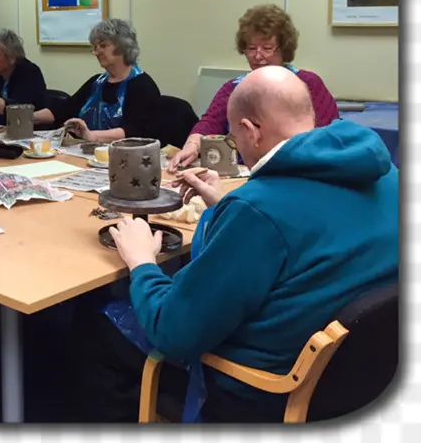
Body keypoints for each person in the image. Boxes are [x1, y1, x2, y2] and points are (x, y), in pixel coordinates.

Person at [73, 66, 398, 422]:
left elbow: (174, 333)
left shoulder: (259, 209)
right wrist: (222, 207)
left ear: (250, 130)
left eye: (232, 135)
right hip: (364, 377)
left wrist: (141, 263)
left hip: (266, 391)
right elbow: (299, 236)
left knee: (96, 328)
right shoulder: (386, 174)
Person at [168, 4, 339, 172]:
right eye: (251, 48)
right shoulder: (233, 88)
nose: (258, 56)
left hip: (296, 172)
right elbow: (210, 122)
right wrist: (191, 146)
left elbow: (330, 135)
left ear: (284, 49)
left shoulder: (308, 83)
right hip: (245, 174)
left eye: (267, 48)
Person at [34, 19, 163, 142]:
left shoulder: (142, 86)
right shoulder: (96, 83)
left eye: (102, 46)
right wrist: (28, 117)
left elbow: (137, 131)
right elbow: (63, 111)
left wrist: (92, 135)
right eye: (95, 47)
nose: (97, 52)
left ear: (123, 46)